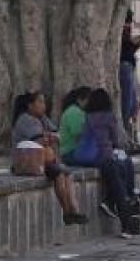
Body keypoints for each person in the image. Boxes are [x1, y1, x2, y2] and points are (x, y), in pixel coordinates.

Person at [66, 89, 139, 235]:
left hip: (87, 158)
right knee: (120, 182)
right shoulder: (109, 117)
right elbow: (115, 140)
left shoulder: (88, 117)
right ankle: (126, 222)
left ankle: (110, 202)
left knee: (120, 171)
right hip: (104, 157)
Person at [12, 92, 88, 225]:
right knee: (59, 175)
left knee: (67, 174)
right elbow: (41, 140)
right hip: (30, 163)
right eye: (40, 102)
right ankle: (67, 212)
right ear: (30, 105)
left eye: (44, 102)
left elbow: (56, 134)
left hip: (47, 160)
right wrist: (49, 137)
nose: (43, 106)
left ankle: (73, 209)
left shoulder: (43, 119)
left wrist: (50, 137)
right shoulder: (24, 119)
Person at [119, 9, 140, 128]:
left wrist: (135, 45)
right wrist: (134, 44)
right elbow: (123, 50)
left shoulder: (126, 31)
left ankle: (127, 121)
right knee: (127, 98)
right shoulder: (120, 30)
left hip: (128, 65)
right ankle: (124, 122)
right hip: (125, 65)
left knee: (132, 101)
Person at [58, 87, 92, 160]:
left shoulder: (79, 112)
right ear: (80, 99)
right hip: (70, 153)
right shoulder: (74, 112)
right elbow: (78, 135)